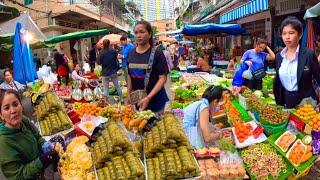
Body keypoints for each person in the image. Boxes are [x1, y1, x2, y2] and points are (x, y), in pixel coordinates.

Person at [0, 90, 61, 179]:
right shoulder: (3, 143)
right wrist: (41, 161)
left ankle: (56, 171)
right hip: (28, 175)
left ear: (21, 105)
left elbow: (37, 136)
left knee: (58, 140)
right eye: (6, 108)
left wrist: (45, 145)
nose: (13, 111)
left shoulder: (23, 120)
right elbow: (18, 176)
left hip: (37, 159)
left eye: (15, 104)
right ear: (1, 115)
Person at [274, 16, 320, 108]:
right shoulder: (279, 56)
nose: (287, 37)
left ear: (300, 35)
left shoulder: (308, 54)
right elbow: (278, 81)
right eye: (284, 33)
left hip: (306, 102)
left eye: (291, 33)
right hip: (287, 100)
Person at [127, 20, 169, 112]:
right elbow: (130, 76)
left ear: (149, 34)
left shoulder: (157, 54)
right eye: (136, 32)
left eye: (142, 32)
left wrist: (148, 98)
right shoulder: (130, 54)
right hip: (138, 99)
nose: (138, 35)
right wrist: (128, 94)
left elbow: (163, 78)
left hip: (156, 101)